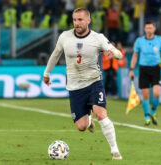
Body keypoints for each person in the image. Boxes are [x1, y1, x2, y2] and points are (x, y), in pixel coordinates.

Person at [43, 8, 123, 160]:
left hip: (94, 82)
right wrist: (47, 74)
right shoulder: (65, 37)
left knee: (101, 114)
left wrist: (113, 53)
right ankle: (88, 120)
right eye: (74, 20)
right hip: (74, 87)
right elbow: (55, 54)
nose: (77, 23)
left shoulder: (98, 38)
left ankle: (115, 151)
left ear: (88, 20)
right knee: (81, 126)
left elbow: (117, 53)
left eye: (80, 20)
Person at [129, 21, 161, 126]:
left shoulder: (159, 40)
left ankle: (153, 112)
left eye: (150, 28)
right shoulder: (139, 41)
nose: (148, 30)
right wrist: (131, 69)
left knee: (157, 93)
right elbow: (135, 56)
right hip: (143, 69)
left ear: (154, 29)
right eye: (147, 28)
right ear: (144, 29)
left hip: (156, 69)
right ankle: (147, 116)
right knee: (145, 95)